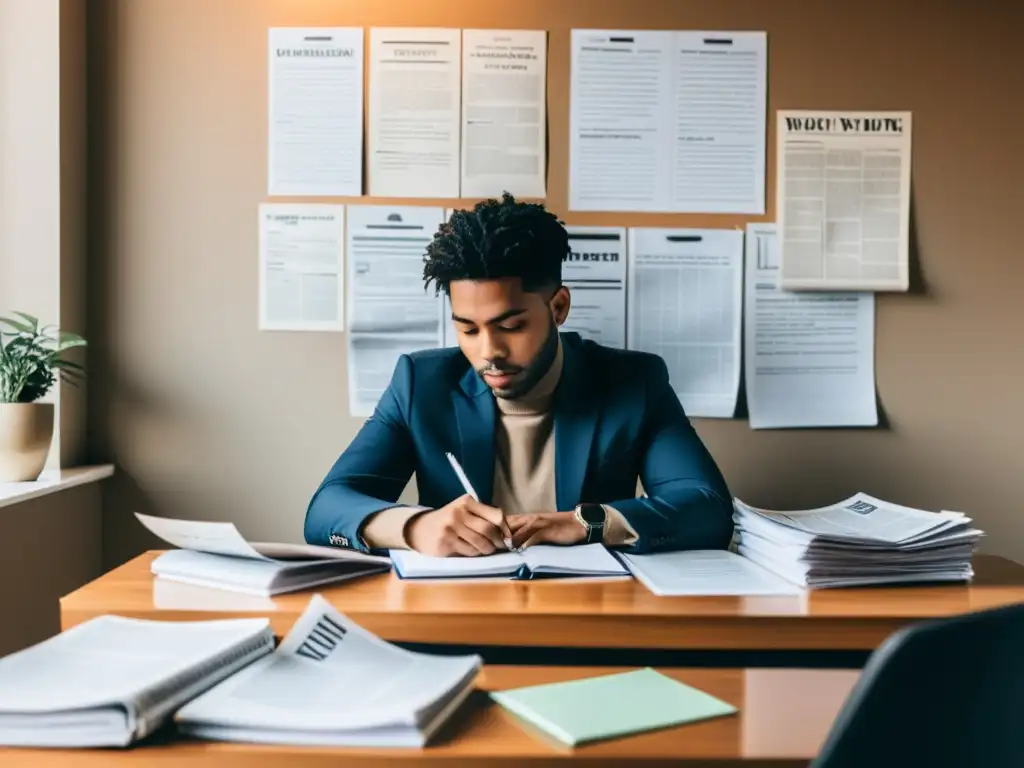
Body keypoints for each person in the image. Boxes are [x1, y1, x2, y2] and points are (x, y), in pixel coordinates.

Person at [304, 193, 734, 557]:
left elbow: (708, 509)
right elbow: (326, 509)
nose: (488, 351)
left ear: (558, 307)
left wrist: (589, 523)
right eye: (468, 329)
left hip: (589, 611)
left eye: (510, 326)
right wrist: (416, 527)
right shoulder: (420, 383)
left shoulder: (633, 381)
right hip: (458, 616)